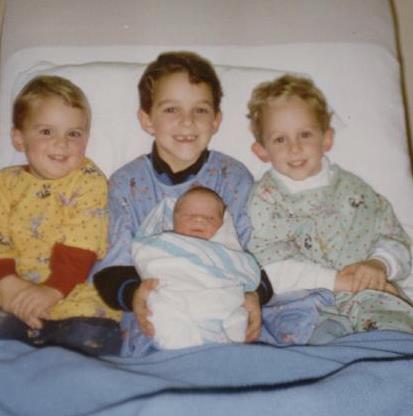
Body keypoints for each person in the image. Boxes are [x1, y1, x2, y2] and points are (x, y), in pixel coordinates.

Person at [93, 51, 273, 346]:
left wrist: (255, 294)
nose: (187, 122)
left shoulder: (234, 178)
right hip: (157, 315)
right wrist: (135, 294)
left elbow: (258, 254)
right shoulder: (126, 184)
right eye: (171, 110)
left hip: (225, 309)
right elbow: (112, 266)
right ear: (147, 119)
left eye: (200, 110)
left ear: (216, 120)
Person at [246, 74, 413, 336]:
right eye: (280, 139)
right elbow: (268, 268)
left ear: (326, 138)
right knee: (310, 338)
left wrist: (379, 264)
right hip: (303, 306)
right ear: (261, 150)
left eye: (305, 135)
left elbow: (397, 240)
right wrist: (337, 281)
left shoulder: (355, 191)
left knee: (395, 334)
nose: (294, 148)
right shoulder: (264, 199)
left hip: (369, 297)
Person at [0, 75, 121, 355]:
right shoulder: (5, 184)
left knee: (87, 350)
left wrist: (51, 291)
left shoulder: (89, 180)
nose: (61, 143)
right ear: (19, 138)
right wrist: (9, 288)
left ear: (86, 139)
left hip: (79, 304)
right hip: (17, 301)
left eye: (73, 134)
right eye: (46, 132)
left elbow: (81, 246)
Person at [126, 186, 260, 351]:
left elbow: (246, 271)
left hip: (218, 303)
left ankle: (227, 345)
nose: (199, 220)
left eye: (209, 218)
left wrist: (253, 293)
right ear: (173, 220)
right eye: (189, 216)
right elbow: (148, 257)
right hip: (176, 300)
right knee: (160, 308)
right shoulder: (162, 244)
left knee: (238, 316)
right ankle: (181, 345)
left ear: (222, 225)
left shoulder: (227, 255)